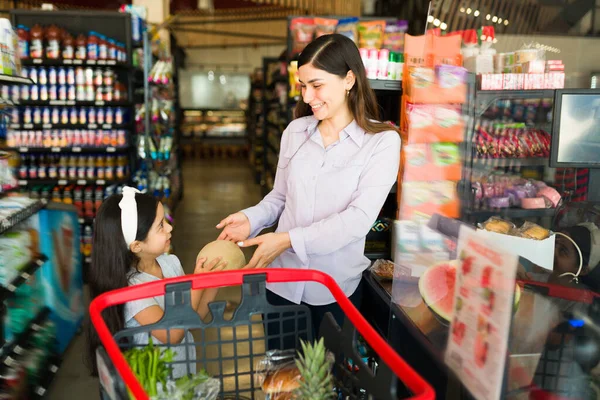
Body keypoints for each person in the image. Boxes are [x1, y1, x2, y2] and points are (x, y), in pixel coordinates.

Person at [216, 34, 401, 344]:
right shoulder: (295, 132)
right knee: (282, 379)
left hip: (333, 289)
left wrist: (287, 240)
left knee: (326, 386)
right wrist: (251, 219)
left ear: (349, 79)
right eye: (302, 86)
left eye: (317, 85)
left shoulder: (381, 143)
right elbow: (279, 197)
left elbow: (357, 220)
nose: (307, 97)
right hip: (281, 285)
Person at [85, 187, 227, 377]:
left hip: (183, 373)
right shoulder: (132, 289)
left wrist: (213, 280)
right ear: (136, 245)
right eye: (161, 225)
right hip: (153, 385)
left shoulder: (170, 263)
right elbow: (173, 334)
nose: (169, 227)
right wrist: (198, 283)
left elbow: (194, 317)